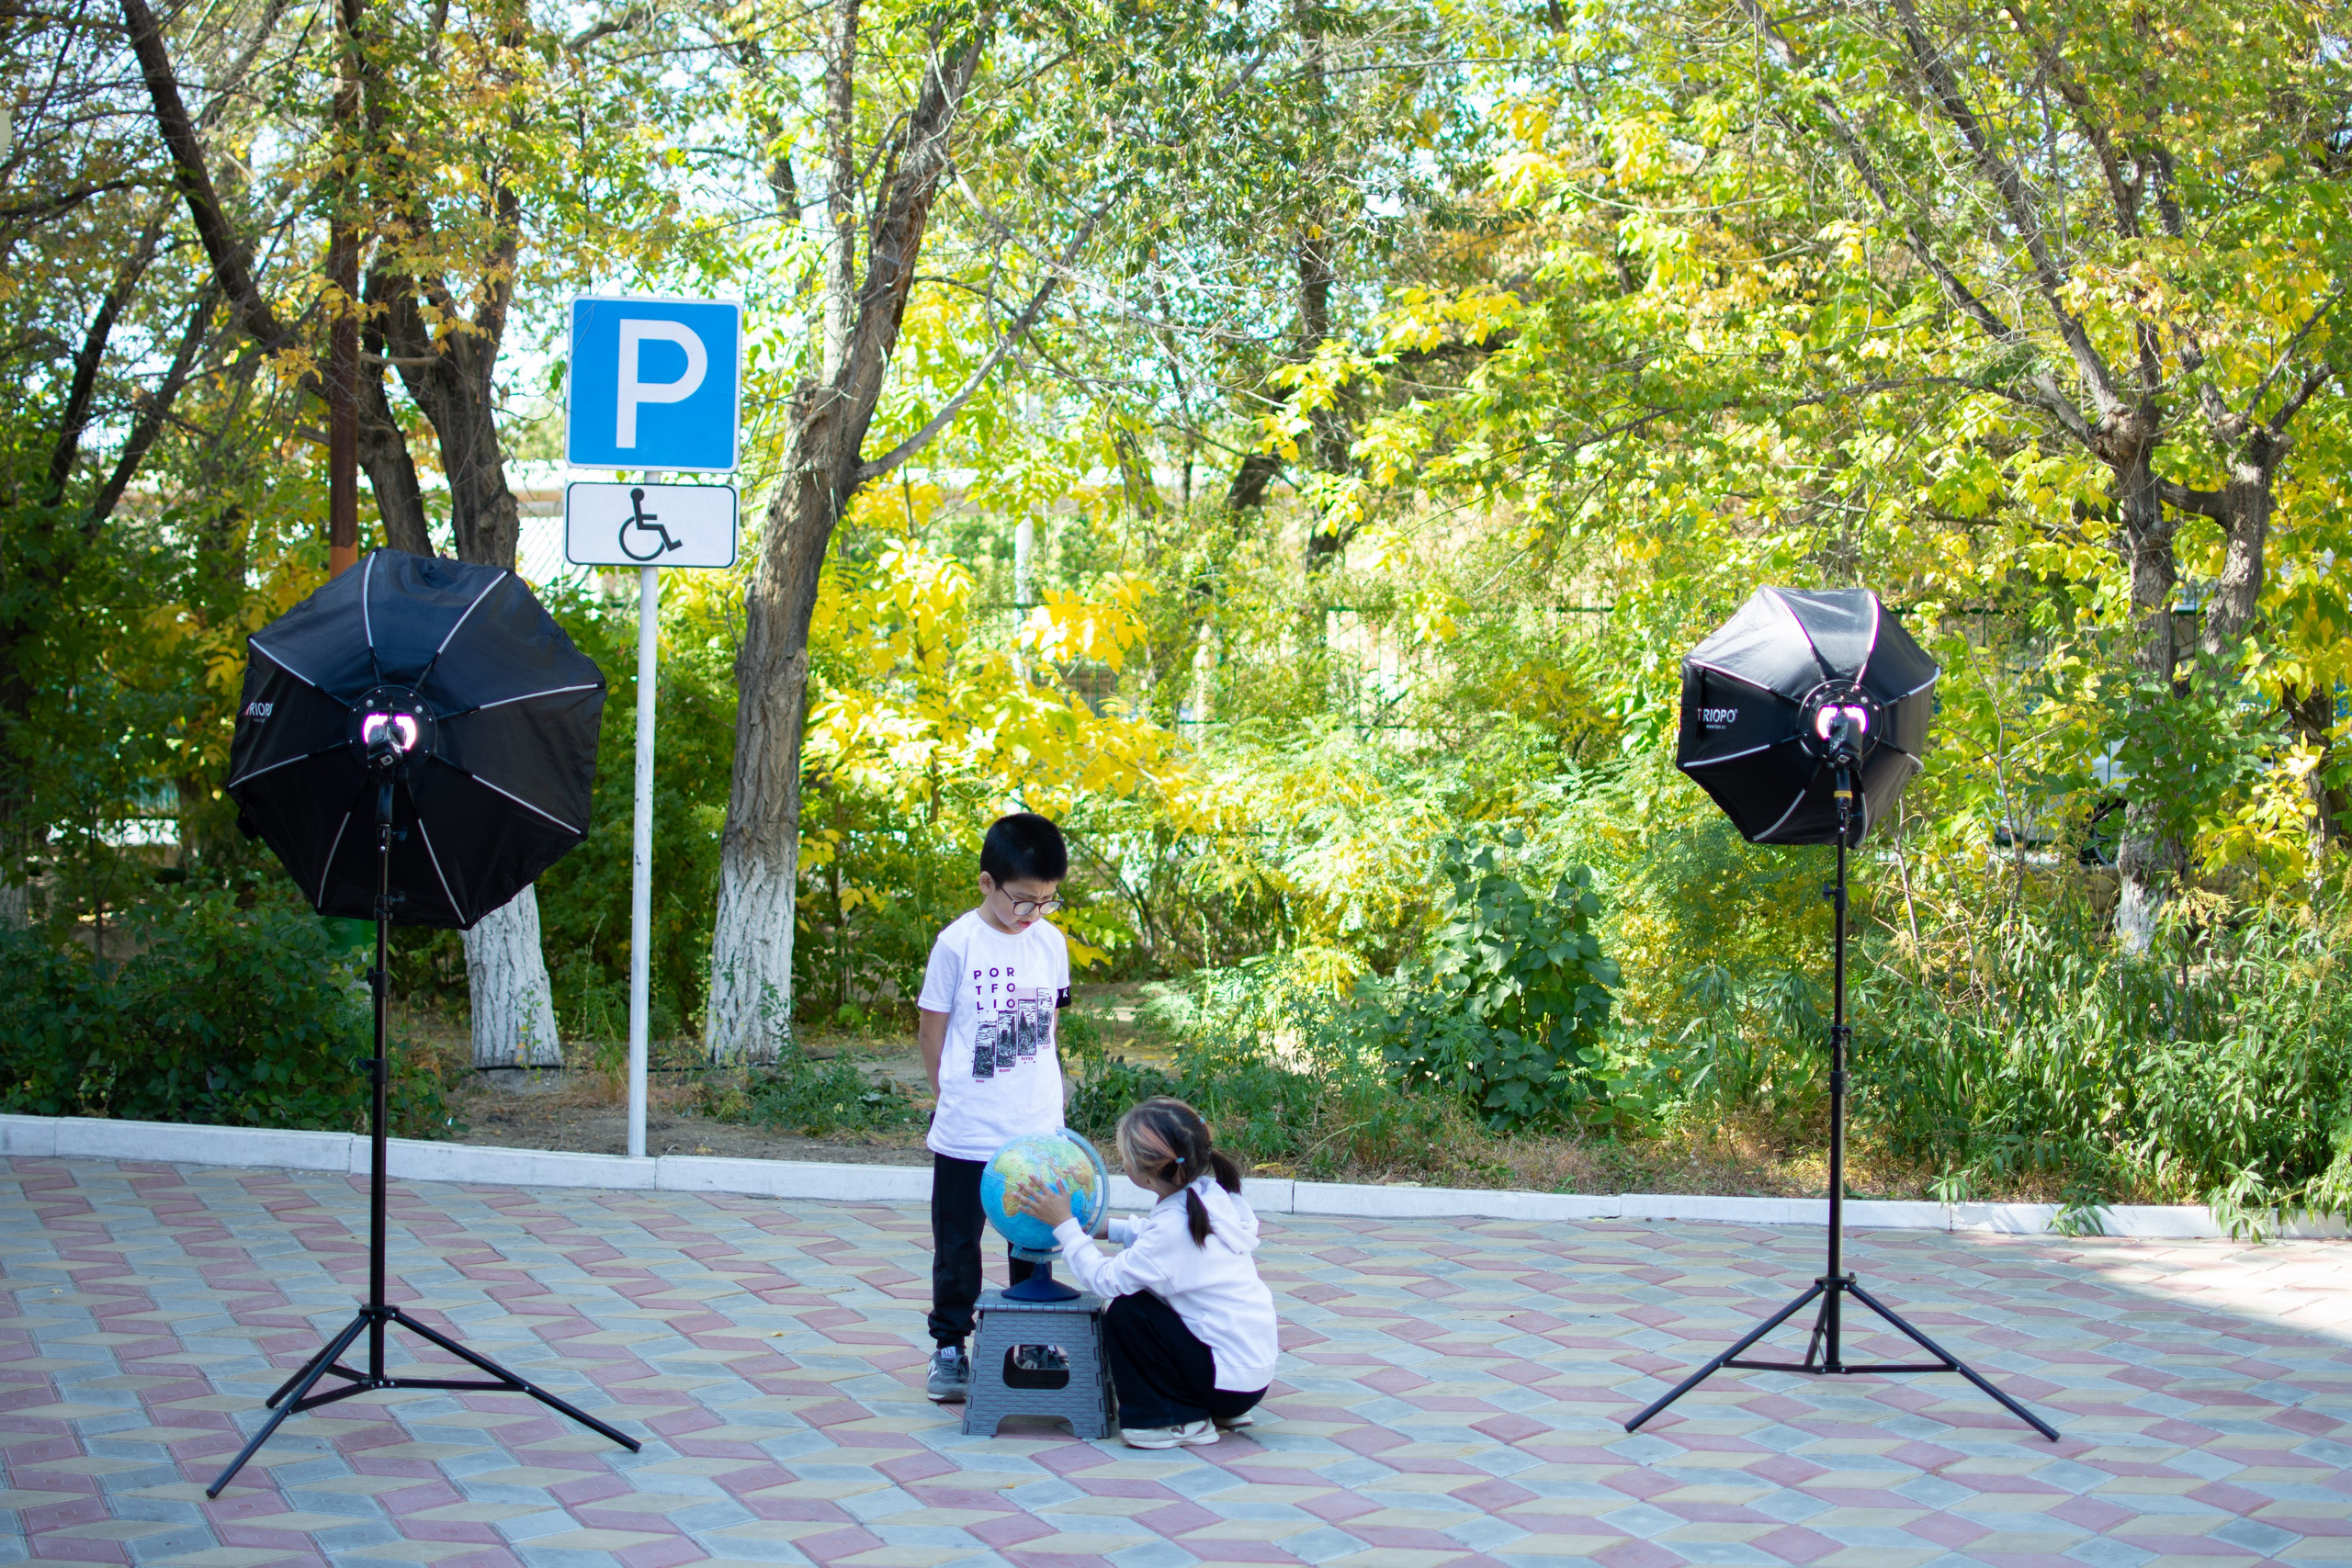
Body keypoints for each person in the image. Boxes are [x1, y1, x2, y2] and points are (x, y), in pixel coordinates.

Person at [1013, 1096, 1278, 1449]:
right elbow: (1163, 1242)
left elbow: (1104, 1278)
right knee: (1145, 1303)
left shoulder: (1174, 1227)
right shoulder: (1208, 1196)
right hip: (1244, 1380)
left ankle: (1173, 1419)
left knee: (1128, 1311)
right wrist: (1104, 1227)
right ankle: (1205, 1405)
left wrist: (1065, 1226)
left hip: (1225, 1384)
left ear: (1146, 1173)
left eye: (1124, 1157)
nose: (1121, 1162)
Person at [916, 811, 1073, 1403]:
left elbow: (1050, 1023)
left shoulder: (1051, 943)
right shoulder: (957, 943)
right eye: (1025, 900)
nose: (1034, 914)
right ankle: (950, 1346)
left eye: (1048, 901)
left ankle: (1028, 1341)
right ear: (987, 884)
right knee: (957, 1244)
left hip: (1033, 1129)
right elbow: (932, 1030)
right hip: (967, 1130)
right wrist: (945, 1093)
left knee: (1032, 1241)